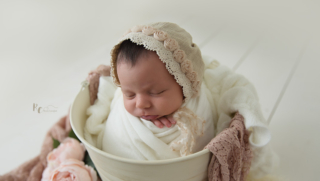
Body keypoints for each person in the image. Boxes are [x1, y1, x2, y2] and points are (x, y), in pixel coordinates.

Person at [84, 22, 272, 165]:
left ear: (185, 86)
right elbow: (114, 131)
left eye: (156, 92)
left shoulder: (198, 107)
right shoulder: (121, 109)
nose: (140, 104)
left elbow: (203, 149)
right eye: (129, 94)